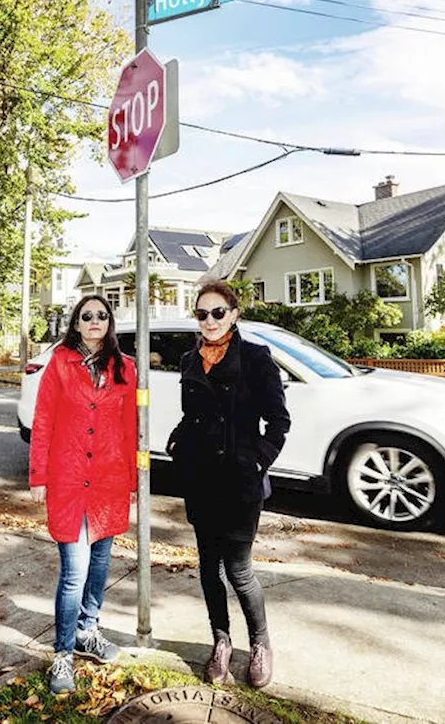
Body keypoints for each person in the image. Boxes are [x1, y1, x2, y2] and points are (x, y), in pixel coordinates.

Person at [165, 281, 290, 688]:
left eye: (218, 312)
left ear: (234, 314)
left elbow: (279, 421)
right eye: (202, 314)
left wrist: (258, 459)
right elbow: (193, 415)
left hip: (239, 481)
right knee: (207, 568)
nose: (210, 321)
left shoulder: (255, 358)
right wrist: (178, 439)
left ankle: (260, 644)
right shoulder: (188, 360)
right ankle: (220, 641)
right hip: (201, 478)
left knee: (238, 569)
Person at [29, 295, 138, 694]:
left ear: (110, 323)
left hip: (108, 482)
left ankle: (88, 629)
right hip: (68, 479)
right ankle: (63, 652)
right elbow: (43, 420)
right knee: (74, 571)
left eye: (102, 316)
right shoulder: (59, 363)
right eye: (86, 316)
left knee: (100, 566)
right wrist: (39, 476)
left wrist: (131, 483)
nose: (94, 321)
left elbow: (130, 428)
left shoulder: (126, 368)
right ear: (75, 323)